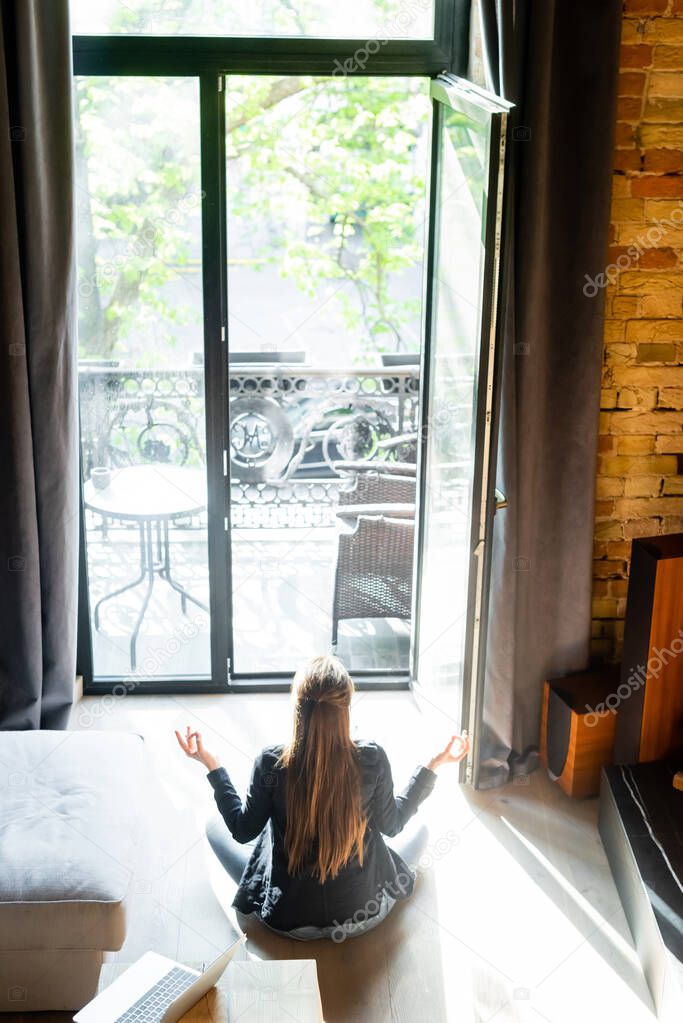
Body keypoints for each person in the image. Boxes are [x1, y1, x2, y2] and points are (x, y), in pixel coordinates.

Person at [175, 654, 469, 942]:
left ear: (298, 708)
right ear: (345, 709)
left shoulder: (270, 763)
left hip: (288, 921)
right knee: (421, 830)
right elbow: (391, 826)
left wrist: (212, 765)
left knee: (215, 825)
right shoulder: (371, 758)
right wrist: (433, 765)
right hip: (361, 917)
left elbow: (242, 830)